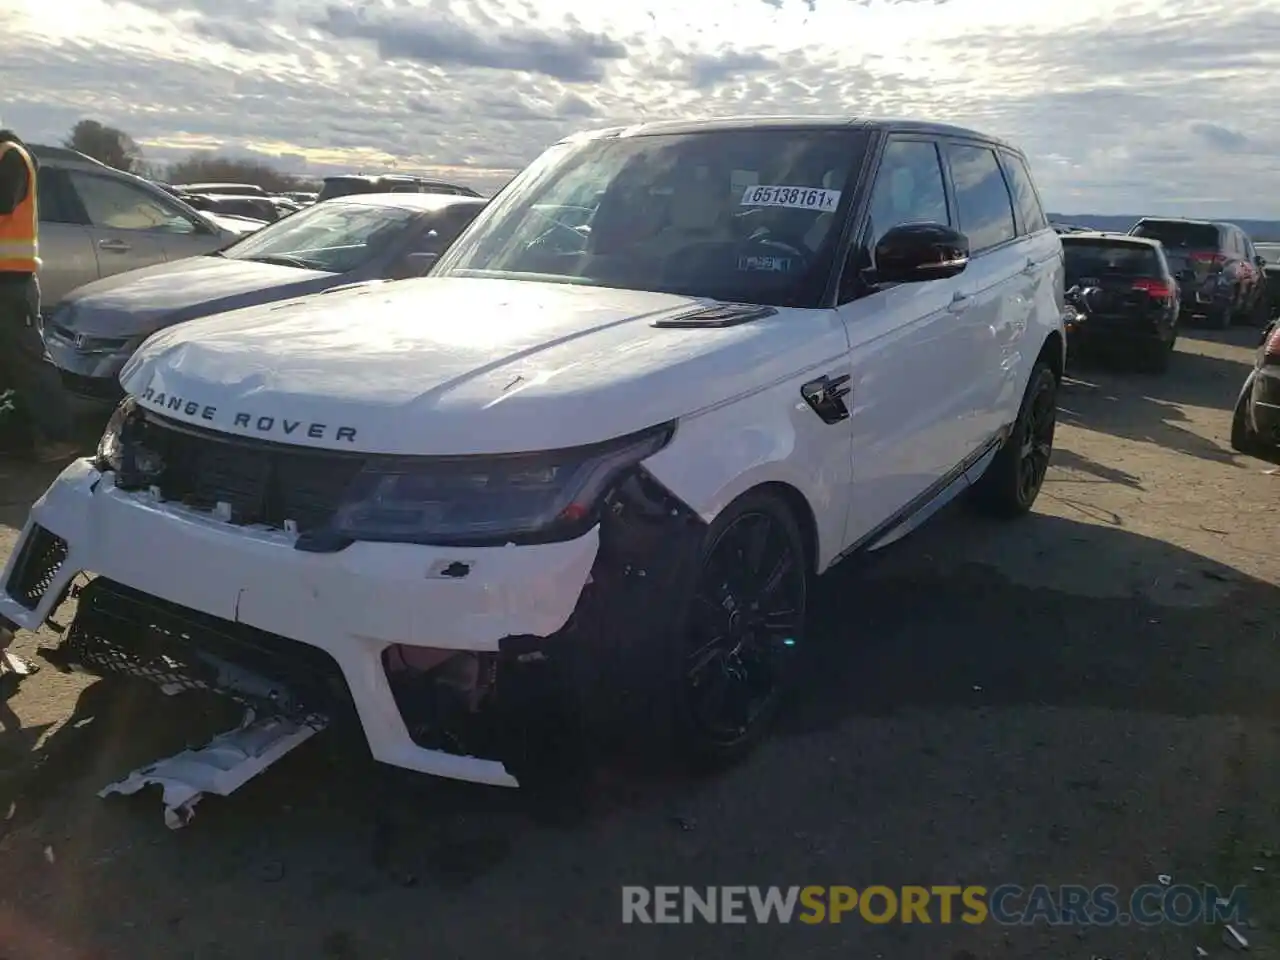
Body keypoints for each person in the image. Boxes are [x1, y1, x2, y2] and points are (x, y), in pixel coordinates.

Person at [0, 127, 77, 463]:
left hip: (11, 281)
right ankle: (18, 435)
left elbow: (3, 202)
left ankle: (58, 436)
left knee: (29, 360)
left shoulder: (10, 155)